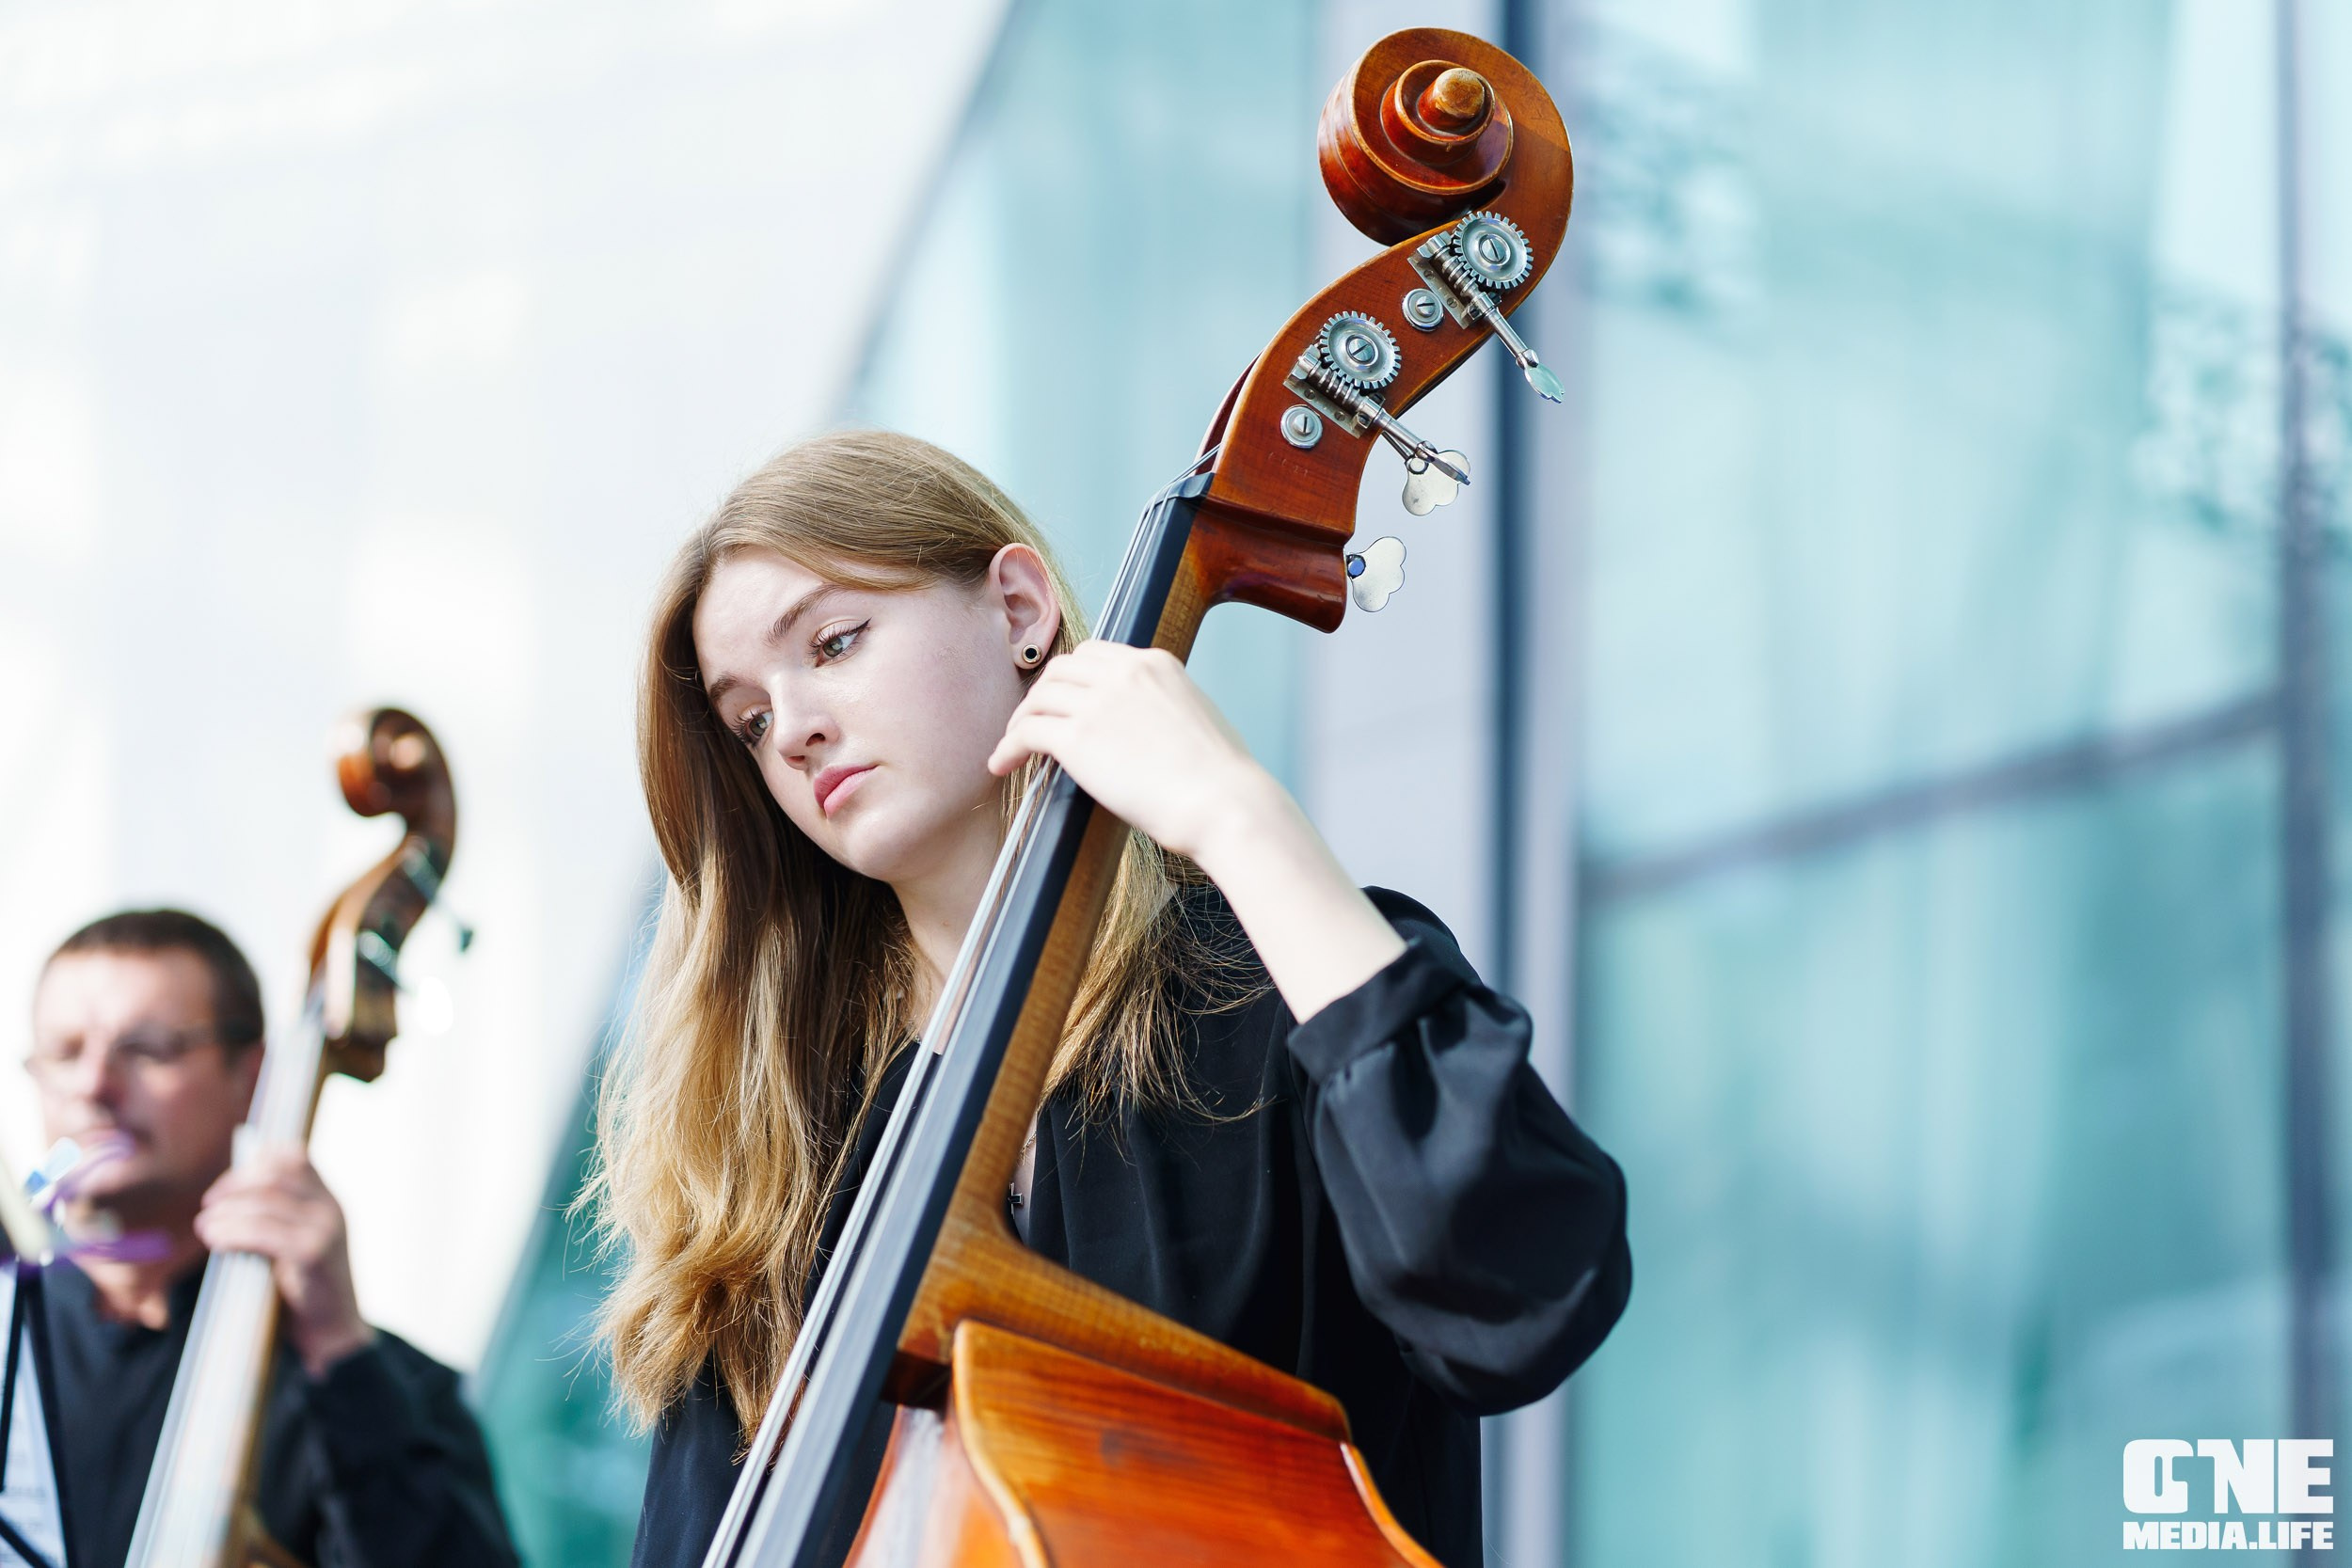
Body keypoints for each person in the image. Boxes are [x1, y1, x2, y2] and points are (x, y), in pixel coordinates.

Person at [596, 430, 1633, 1568]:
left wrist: (1237, 814)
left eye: (834, 642)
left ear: (1019, 608)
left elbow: (1524, 1289)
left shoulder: (1277, 983)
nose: (791, 729)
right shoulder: (781, 1165)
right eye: (749, 721)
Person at [24, 908, 519, 1568]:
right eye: (64, 1052)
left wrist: (340, 1350)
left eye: (147, 1048)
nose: (93, 1084)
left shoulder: (390, 1388)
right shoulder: (9, 1335)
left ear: (251, 1074)